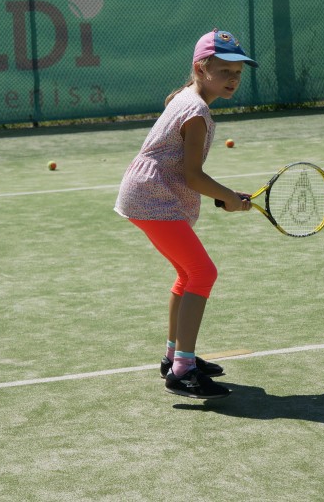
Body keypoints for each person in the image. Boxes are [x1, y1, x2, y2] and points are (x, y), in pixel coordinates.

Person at [114, 29, 258, 399]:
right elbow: (192, 176)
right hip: (153, 199)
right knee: (203, 273)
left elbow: (186, 172)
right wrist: (228, 198)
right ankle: (182, 370)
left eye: (237, 73)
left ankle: (175, 357)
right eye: (224, 71)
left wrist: (227, 196)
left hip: (147, 194)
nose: (233, 79)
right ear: (200, 69)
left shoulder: (185, 97)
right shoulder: (196, 112)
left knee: (187, 274)